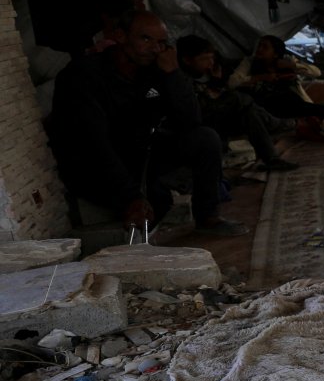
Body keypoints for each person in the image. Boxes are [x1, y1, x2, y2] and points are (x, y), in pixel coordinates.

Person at [48, 12, 248, 236]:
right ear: (121, 36)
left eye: (161, 42)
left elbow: (191, 121)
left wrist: (172, 75)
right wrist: (131, 195)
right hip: (94, 164)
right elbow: (95, 143)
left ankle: (208, 218)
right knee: (155, 204)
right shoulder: (84, 75)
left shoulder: (154, 70)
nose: (154, 48)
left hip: (140, 154)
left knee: (205, 138)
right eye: (145, 39)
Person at [176, 35, 297, 171]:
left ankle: (272, 159)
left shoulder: (199, 75)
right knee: (239, 99)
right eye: (204, 59)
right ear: (186, 60)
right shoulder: (177, 79)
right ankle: (279, 124)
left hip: (215, 119)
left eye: (211, 58)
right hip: (198, 128)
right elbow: (198, 110)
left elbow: (214, 99)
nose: (210, 63)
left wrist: (217, 82)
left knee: (248, 112)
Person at [228, 34, 324, 120]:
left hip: (293, 103)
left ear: (275, 54)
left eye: (265, 47)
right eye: (259, 46)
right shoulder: (250, 62)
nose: (259, 49)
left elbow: (316, 73)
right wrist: (259, 78)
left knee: (292, 100)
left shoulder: (286, 61)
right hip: (266, 106)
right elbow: (232, 82)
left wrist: (293, 65)